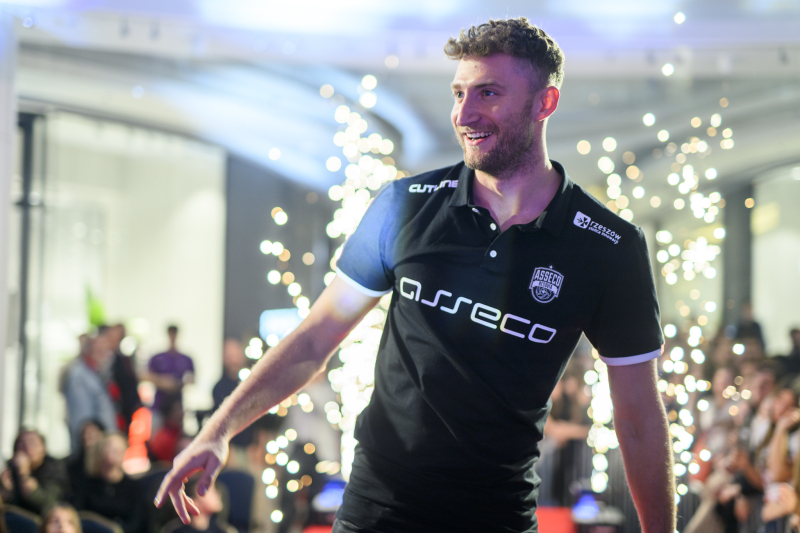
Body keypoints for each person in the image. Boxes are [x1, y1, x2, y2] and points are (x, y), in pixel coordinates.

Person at [156, 17, 674, 533]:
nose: (464, 114)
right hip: (376, 513)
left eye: (488, 93)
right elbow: (315, 339)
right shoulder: (405, 206)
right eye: (458, 93)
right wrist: (219, 429)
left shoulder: (608, 246)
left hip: (497, 518)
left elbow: (638, 418)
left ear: (545, 103)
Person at [73, 433, 144, 533]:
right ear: (101, 451)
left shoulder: (133, 487)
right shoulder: (86, 484)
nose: (113, 453)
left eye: (118, 450)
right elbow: (78, 515)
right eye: (110, 448)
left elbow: (137, 522)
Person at [63, 334, 118, 453]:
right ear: (90, 350)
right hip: (91, 450)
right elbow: (82, 420)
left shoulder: (99, 374)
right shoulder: (80, 377)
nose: (105, 354)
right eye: (99, 350)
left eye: (107, 350)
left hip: (101, 448)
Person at [0, 429, 69, 515]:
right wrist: (5, 491)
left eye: (32, 443)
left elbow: (49, 503)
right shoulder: (10, 468)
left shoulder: (54, 467)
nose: (27, 448)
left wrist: (24, 476)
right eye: (22, 444)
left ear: (43, 449)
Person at [145, 325, 194, 427]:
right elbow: (146, 375)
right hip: (159, 404)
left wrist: (177, 384)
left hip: (177, 406)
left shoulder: (185, 359)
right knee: (156, 433)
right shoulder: (158, 358)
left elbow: (192, 379)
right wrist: (162, 381)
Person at [161, 477, 235, 533]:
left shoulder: (224, 530)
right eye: (210, 491)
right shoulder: (175, 531)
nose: (218, 494)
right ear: (192, 502)